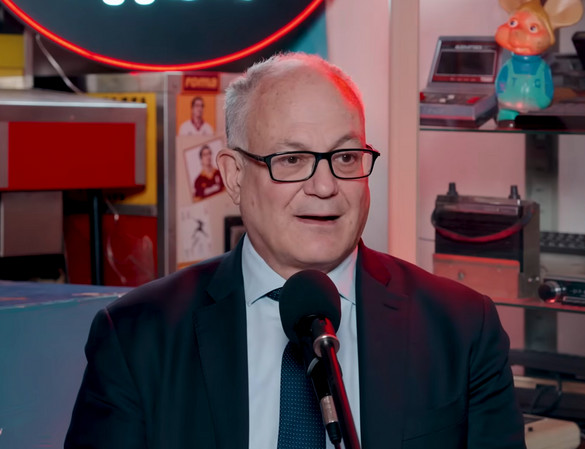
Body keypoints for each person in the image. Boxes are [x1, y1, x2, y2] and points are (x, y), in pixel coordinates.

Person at [65, 52, 526, 449]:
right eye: (292, 160)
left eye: (346, 157)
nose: (325, 186)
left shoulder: (461, 328)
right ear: (234, 176)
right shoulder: (138, 336)